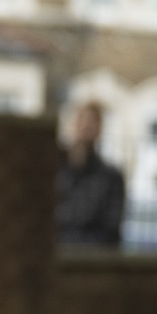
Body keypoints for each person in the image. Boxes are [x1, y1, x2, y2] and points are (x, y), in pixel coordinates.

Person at [55, 101, 125, 247]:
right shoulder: (58, 170)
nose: (87, 127)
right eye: (82, 120)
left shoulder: (111, 177)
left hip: (89, 256)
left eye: (93, 121)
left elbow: (111, 230)